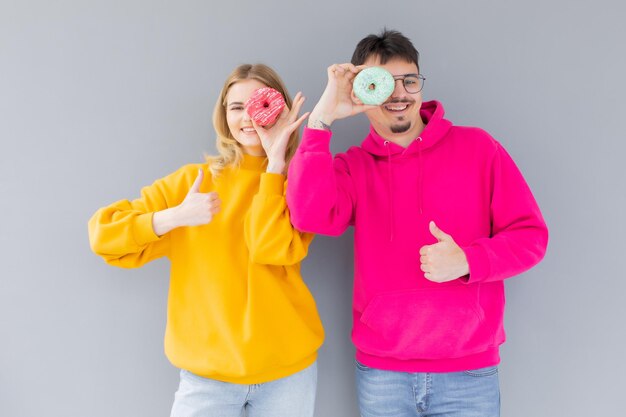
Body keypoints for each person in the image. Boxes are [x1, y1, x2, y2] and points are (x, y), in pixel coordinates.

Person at [286, 29, 548, 417]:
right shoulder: (353, 167)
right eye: (383, 83)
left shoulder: (478, 149)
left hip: (469, 372)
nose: (399, 94)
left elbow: (531, 237)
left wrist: (468, 262)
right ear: (362, 89)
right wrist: (322, 120)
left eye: (409, 81)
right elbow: (309, 214)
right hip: (383, 374)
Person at [88, 63, 324, 417]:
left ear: (281, 109)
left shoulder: (297, 185)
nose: (248, 117)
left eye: (258, 103)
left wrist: (274, 167)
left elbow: (271, 249)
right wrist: (174, 218)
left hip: (287, 374)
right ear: (223, 115)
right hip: (206, 379)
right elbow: (103, 235)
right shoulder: (191, 183)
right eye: (236, 107)